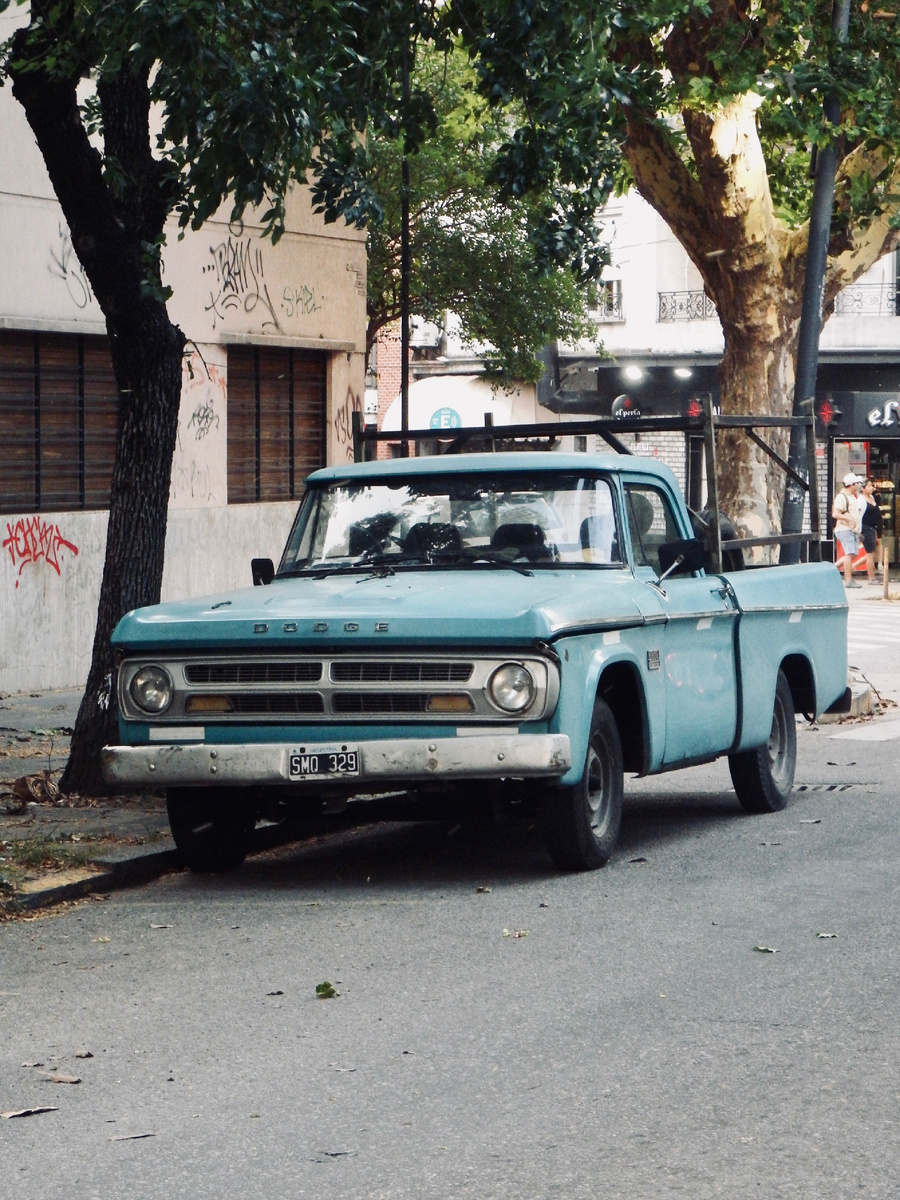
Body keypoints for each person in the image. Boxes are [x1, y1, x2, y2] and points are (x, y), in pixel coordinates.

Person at [832, 473, 863, 587]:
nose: (858, 486)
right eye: (856, 484)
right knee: (850, 554)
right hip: (844, 528)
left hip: (852, 529)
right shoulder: (842, 496)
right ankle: (848, 579)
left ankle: (833, 568)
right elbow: (836, 514)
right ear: (852, 485)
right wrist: (848, 519)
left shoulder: (851, 496)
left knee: (853, 553)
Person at [858, 478, 884, 584]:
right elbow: (858, 516)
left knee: (871, 552)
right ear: (863, 488)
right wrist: (858, 530)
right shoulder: (861, 500)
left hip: (873, 527)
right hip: (865, 527)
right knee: (870, 553)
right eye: (869, 486)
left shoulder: (872, 497)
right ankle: (871, 577)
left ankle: (870, 574)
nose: (871, 488)